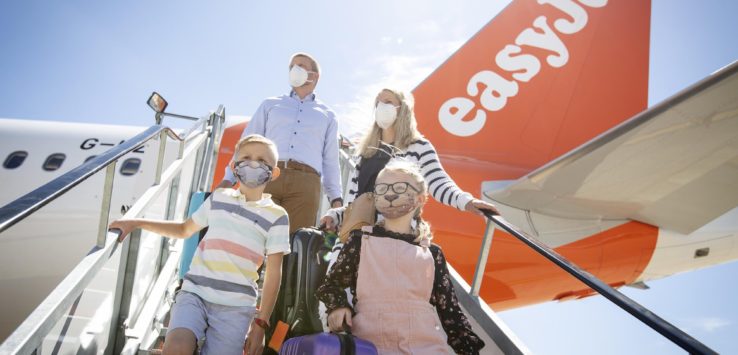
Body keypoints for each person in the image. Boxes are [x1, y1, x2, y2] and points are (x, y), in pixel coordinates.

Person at [110, 134, 290, 355]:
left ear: (275, 172)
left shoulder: (277, 216)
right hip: (195, 293)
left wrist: (261, 324)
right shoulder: (219, 198)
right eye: (246, 157)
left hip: (236, 308)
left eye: (263, 160)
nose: (254, 163)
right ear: (234, 166)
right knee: (177, 347)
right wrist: (137, 222)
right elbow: (185, 229)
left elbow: (274, 273)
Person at [315, 159, 485, 354]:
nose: (389, 193)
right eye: (382, 188)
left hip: (424, 347)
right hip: (370, 345)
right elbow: (331, 285)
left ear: (420, 199)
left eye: (399, 187)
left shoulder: (432, 254)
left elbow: (451, 315)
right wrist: (337, 306)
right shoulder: (359, 241)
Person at [320, 88, 498, 240]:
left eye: (388, 101)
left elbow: (439, 182)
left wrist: (466, 201)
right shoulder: (366, 152)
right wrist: (335, 215)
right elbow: (354, 202)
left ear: (402, 109)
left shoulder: (419, 147)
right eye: (378, 103)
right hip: (356, 237)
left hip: (394, 236)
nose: (381, 106)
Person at [219, 52, 343, 235]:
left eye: (300, 65)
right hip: (266, 175)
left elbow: (330, 160)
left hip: (306, 183)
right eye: (291, 66)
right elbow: (247, 141)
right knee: (254, 237)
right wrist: (228, 178)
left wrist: (336, 200)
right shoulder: (270, 104)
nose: (294, 69)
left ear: (314, 76)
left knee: (294, 245)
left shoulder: (328, 115)